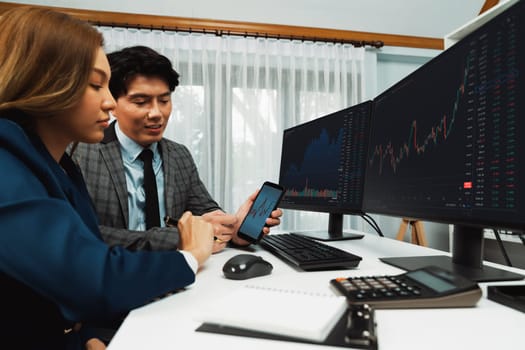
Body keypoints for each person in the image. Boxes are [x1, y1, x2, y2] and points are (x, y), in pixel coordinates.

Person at [0, 7, 216, 350]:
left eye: (164, 100)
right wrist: (189, 254)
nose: (109, 104)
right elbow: (90, 272)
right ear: (46, 80)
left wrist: (88, 337)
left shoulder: (59, 167)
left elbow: (61, 285)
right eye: (97, 85)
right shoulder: (17, 162)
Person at [72, 45, 283, 253]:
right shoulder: (80, 154)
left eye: (164, 100)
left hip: (182, 274)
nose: (157, 113)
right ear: (112, 104)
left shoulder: (179, 155)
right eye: (141, 101)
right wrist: (178, 237)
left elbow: (205, 211)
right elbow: (81, 233)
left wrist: (234, 228)